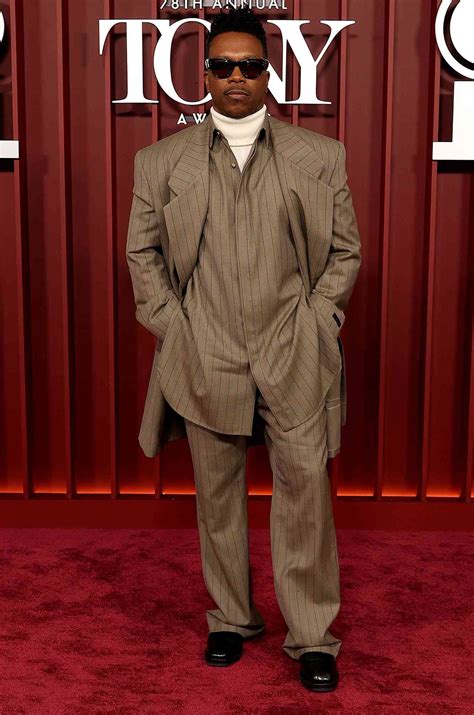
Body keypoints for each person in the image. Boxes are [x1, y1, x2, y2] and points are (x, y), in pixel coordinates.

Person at [126, 5, 361, 693]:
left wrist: (316, 323)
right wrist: (176, 327)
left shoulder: (320, 157)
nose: (236, 76)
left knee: (305, 495)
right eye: (223, 65)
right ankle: (230, 618)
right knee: (218, 496)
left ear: (268, 75)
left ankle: (311, 636)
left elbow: (345, 254)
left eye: (250, 65)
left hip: (294, 349)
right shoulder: (160, 162)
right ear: (204, 76)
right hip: (205, 352)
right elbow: (142, 255)